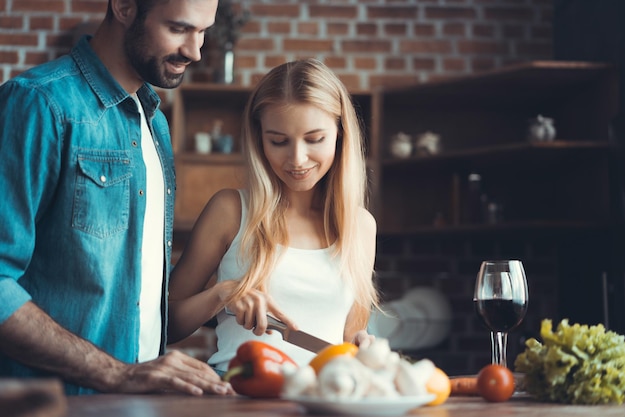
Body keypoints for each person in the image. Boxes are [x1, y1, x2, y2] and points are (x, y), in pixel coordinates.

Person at [0, 0, 233, 396]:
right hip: (51, 405)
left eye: (203, 32)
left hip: (135, 404)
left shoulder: (155, 121)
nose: (195, 51)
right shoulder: (39, 103)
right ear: (124, 7)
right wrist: (116, 374)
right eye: (179, 29)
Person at [167, 58, 380, 375]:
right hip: (239, 397)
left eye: (314, 139)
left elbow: (348, 338)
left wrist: (363, 348)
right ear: (259, 139)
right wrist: (221, 295)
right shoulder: (230, 210)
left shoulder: (360, 226)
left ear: (340, 134)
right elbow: (165, 324)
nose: (297, 159)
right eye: (278, 141)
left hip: (322, 399)